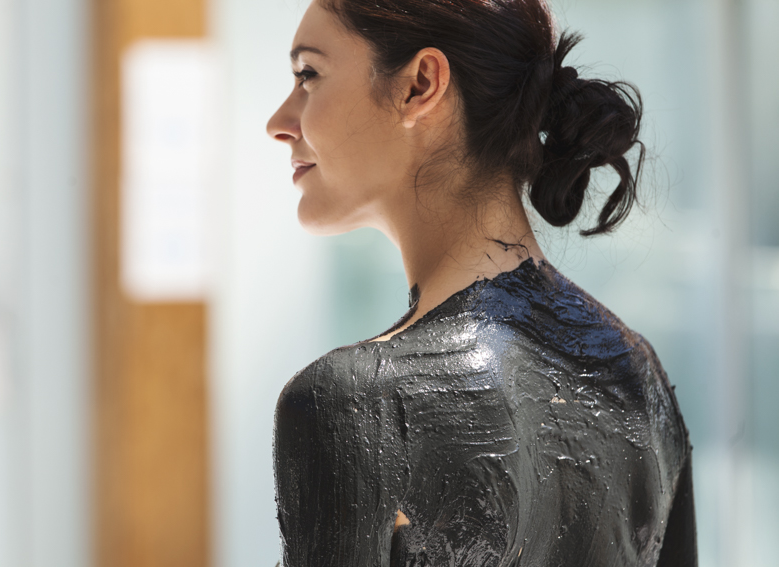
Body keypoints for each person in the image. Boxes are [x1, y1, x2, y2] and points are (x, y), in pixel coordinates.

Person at [266, 0, 697, 565]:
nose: (279, 122)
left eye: (308, 75)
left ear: (421, 85)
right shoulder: (636, 373)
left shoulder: (355, 403)